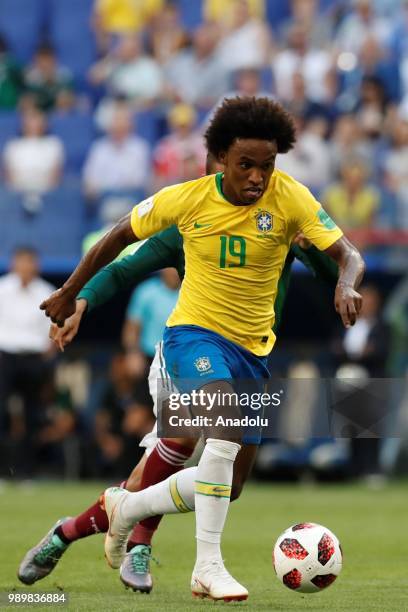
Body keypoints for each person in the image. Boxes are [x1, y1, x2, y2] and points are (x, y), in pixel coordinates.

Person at [39, 97, 364, 601]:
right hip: (191, 339)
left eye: (267, 166)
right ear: (217, 160)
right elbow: (122, 255)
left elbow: (342, 259)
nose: (257, 177)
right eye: (245, 165)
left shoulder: (288, 202)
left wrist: (342, 280)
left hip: (253, 354)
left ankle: (120, 511)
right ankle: (198, 564)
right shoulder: (188, 207)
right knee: (202, 433)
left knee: (226, 483)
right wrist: (74, 294)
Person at [0, 247, 56, 476]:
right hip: (4, 357)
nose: (25, 267)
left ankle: (24, 472)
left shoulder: (47, 291)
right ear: (14, 264)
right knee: (1, 413)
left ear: (36, 265)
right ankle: (3, 470)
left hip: (33, 358)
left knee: (33, 415)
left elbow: (54, 329)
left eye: (29, 262)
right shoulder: (2, 289)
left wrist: (47, 355)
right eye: (21, 262)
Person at [3, 108, 64, 195]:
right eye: (30, 120)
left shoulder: (54, 144)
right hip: (17, 193)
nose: (33, 124)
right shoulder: (12, 145)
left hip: (47, 193)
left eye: (37, 119)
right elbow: (9, 176)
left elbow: (55, 175)